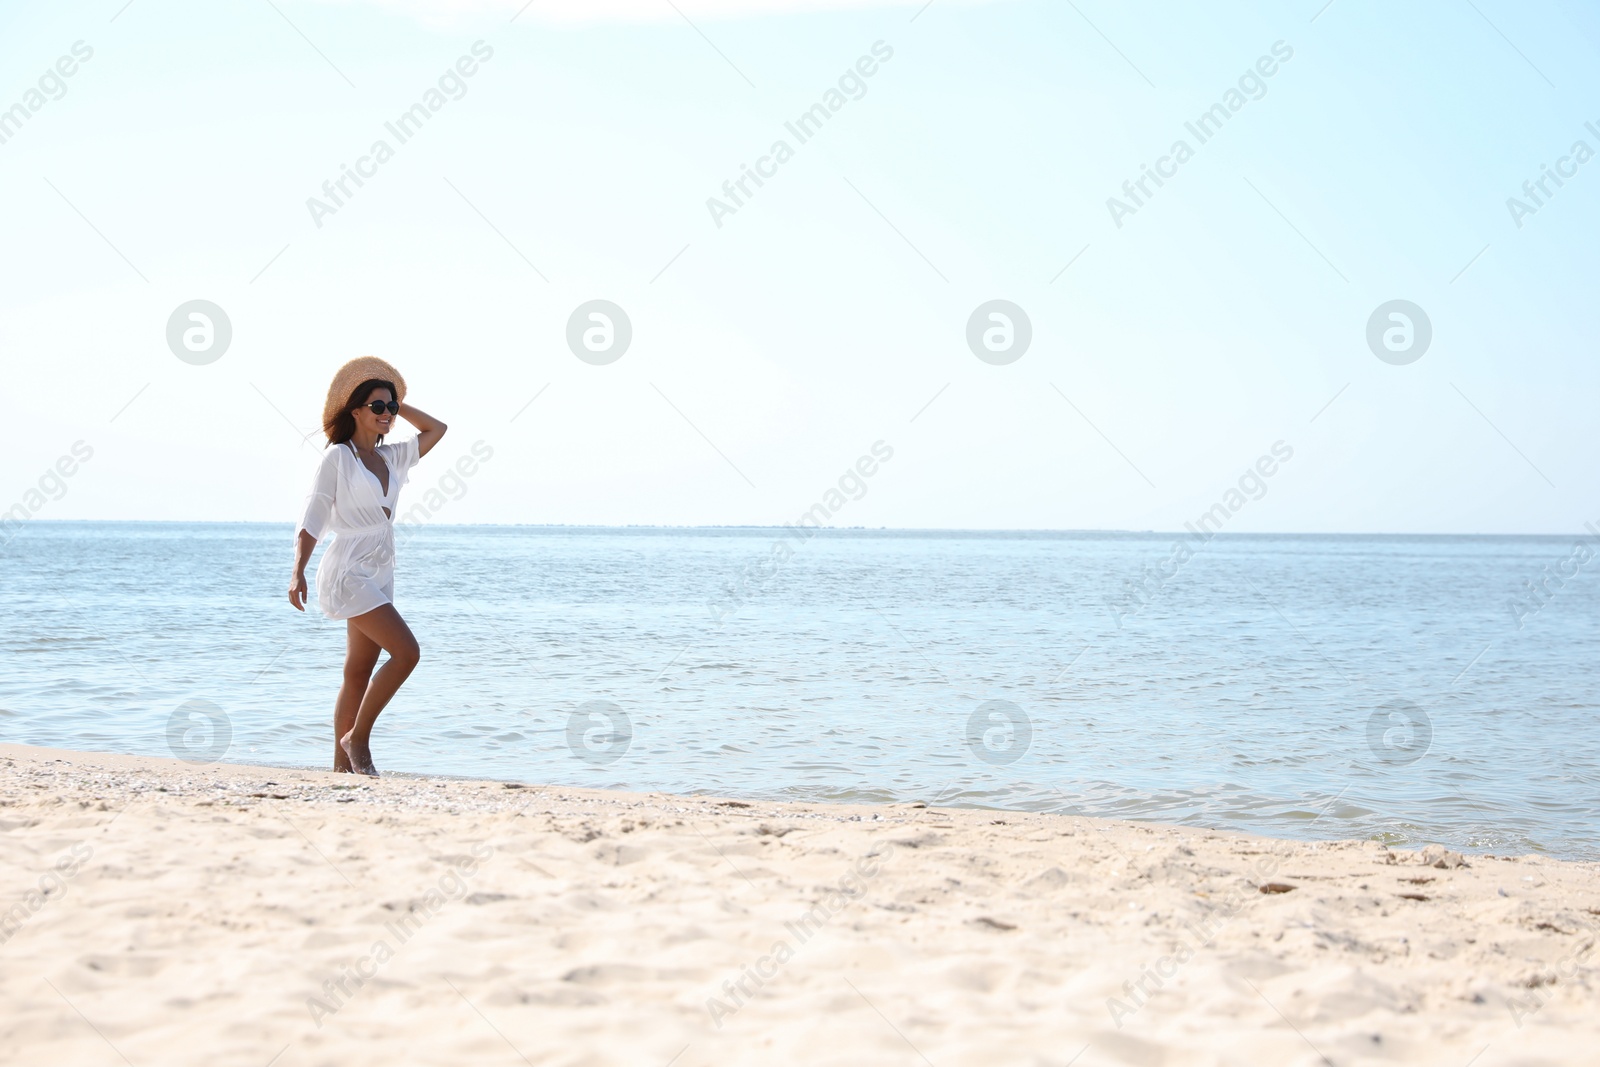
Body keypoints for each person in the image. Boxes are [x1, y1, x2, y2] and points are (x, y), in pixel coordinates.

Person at [288, 356, 447, 776]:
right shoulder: (338, 458)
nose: (387, 415)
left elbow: (438, 430)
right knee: (407, 652)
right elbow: (313, 516)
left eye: (390, 409)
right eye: (377, 407)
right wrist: (297, 570)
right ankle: (357, 738)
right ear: (354, 410)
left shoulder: (393, 458)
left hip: (379, 569)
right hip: (347, 569)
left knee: (358, 670)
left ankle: (341, 770)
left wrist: (399, 399)